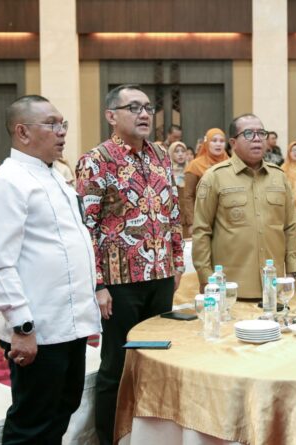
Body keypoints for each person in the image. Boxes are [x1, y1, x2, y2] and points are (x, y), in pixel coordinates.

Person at [0, 95, 100, 443]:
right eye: (51, 124)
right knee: (32, 422)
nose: (62, 132)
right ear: (22, 132)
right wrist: (22, 326)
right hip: (37, 328)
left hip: (69, 324)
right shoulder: (7, 181)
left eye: (63, 124)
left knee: (62, 408)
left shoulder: (55, 176)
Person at [75, 84, 184, 445]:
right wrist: (98, 284)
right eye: (133, 107)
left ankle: (152, 434)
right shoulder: (96, 160)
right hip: (119, 282)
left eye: (148, 107)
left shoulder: (161, 155)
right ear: (111, 116)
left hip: (161, 274)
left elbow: (172, 211)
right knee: (117, 366)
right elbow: (86, 227)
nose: (144, 114)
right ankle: (111, 437)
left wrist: (177, 261)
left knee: (158, 359)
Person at [192, 113, 296, 298]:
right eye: (249, 134)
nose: (257, 139)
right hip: (230, 291)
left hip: (274, 290)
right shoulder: (214, 177)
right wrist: (206, 279)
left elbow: (289, 227)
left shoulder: (279, 177)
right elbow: (201, 230)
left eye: (261, 133)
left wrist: (291, 271)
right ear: (233, 143)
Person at [182, 128, 229, 231]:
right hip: (202, 220)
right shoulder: (195, 165)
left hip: (227, 221)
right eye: (214, 141)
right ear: (207, 143)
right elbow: (188, 196)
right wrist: (191, 222)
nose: (218, 144)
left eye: (222, 141)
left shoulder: (230, 163)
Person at [169, 141, 191, 237]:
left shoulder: (191, 170)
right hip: (174, 218)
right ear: (171, 153)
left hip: (190, 217)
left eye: (183, 151)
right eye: (176, 151)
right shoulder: (167, 172)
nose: (180, 154)